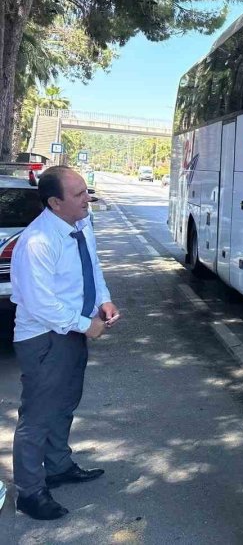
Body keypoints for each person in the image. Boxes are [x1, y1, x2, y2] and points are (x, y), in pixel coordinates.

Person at [10, 166, 120, 521]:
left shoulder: (81, 225)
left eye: (86, 190)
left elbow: (93, 267)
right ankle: (29, 492)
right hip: (45, 338)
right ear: (55, 203)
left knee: (65, 404)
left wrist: (104, 300)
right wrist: (86, 326)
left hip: (72, 330)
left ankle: (57, 466)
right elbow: (40, 304)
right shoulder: (37, 241)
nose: (87, 198)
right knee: (38, 416)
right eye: (78, 194)